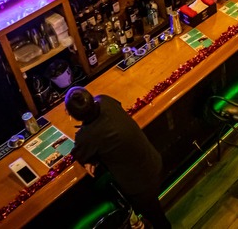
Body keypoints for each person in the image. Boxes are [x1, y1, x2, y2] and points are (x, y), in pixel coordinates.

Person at [66, 87, 172, 229]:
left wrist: (91, 160)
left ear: (72, 115)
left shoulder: (87, 136)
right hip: (153, 161)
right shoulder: (105, 100)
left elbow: (79, 154)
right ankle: (137, 222)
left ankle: (137, 222)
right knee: (154, 211)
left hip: (140, 186)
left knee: (158, 219)